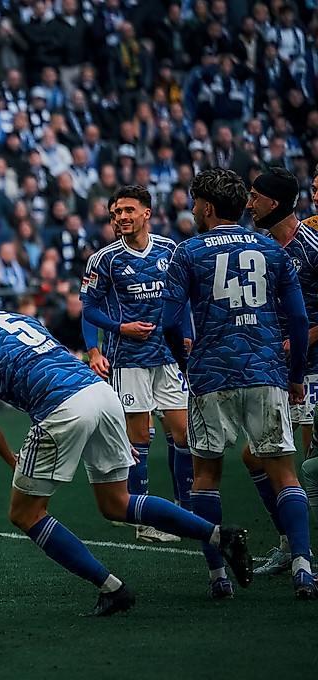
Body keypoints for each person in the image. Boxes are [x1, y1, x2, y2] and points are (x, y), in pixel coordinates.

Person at [0, 273, 252, 615]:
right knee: (116, 503)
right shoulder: (19, 318)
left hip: (63, 407)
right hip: (100, 393)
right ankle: (221, 536)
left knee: (25, 513)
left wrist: (12, 459)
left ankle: (112, 588)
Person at [161, 168, 314, 600]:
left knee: (206, 477)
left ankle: (218, 578)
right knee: (284, 472)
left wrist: (182, 360)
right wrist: (297, 374)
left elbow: (171, 320)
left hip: (211, 374)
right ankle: (303, 567)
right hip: (266, 371)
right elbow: (300, 320)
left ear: (207, 208)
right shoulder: (272, 249)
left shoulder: (187, 253)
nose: (191, 210)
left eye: (194, 203)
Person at [80, 186, 192, 544]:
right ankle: (145, 521)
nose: (121, 217)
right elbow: (90, 309)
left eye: (128, 210)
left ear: (147, 213)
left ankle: (183, 508)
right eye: (116, 213)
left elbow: (181, 299)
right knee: (139, 438)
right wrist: (103, 343)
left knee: (184, 434)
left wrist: (187, 334)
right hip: (128, 361)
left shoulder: (170, 251)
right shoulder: (104, 259)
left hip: (168, 357)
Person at [225, 168, 318, 578]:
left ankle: (306, 555)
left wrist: (298, 342)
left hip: (313, 371)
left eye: (255, 197)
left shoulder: (313, 246)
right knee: (255, 457)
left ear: (274, 203)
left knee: (311, 466)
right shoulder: (261, 248)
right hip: (280, 372)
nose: (249, 203)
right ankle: (289, 546)